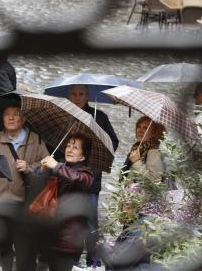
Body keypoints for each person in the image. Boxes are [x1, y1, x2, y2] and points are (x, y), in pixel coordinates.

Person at [0, 104, 49, 271]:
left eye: (16, 114)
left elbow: (47, 169)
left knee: (25, 252)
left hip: (23, 208)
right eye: (7, 114)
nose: (11, 118)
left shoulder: (36, 140)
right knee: (1, 250)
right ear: (2, 119)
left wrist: (29, 168)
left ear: (23, 119)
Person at [67, 84, 119, 267]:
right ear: (69, 95)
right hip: (68, 177)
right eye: (74, 94)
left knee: (90, 223)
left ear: (88, 95)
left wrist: (96, 165)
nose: (77, 97)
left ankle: (92, 261)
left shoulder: (99, 117)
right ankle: (71, 259)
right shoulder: (66, 115)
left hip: (91, 178)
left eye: (81, 94)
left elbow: (113, 142)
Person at [37, 133, 94, 271]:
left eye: (75, 147)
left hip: (68, 242)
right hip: (49, 235)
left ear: (83, 155)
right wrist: (44, 171)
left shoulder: (87, 174)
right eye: (68, 146)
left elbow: (76, 178)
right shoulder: (60, 169)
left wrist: (56, 166)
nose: (69, 149)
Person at [123, 116, 166, 183]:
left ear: (153, 133)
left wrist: (136, 162)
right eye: (139, 127)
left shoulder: (153, 152)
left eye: (145, 128)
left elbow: (155, 181)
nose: (140, 130)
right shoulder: (137, 148)